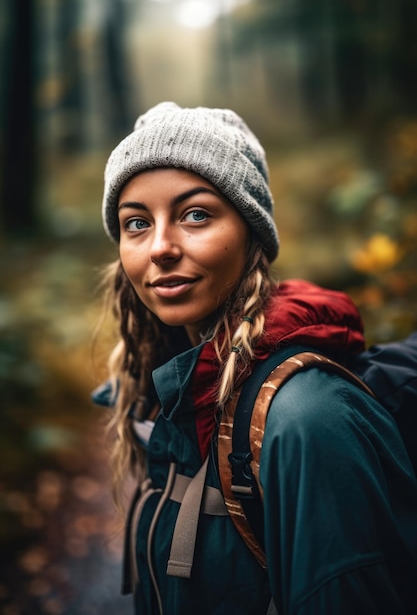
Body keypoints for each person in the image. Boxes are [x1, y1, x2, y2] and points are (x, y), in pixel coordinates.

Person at [94, 102, 417, 615]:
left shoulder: (305, 420)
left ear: (252, 233)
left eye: (195, 214)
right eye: (136, 222)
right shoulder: (170, 389)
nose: (159, 247)